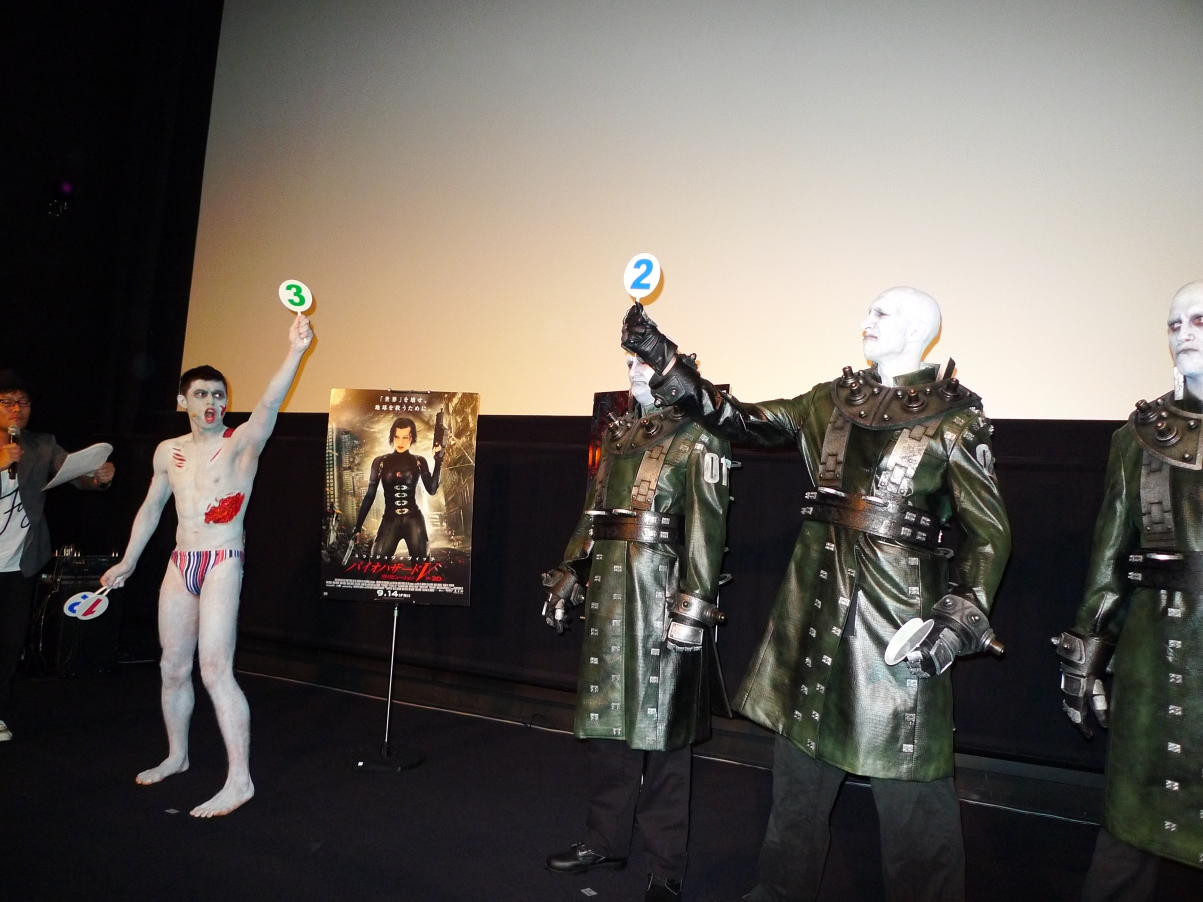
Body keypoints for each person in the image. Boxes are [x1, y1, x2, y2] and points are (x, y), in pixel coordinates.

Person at [622, 287, 1011, 902]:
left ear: (918, 329)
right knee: (798, 774)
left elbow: (989, 534)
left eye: (880, 313)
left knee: (910, 783)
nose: (865, 322)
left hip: (897, 624)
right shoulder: (829, 401)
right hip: (814, 607)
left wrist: (957, 619)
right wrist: (666, 361)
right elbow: (739, 419)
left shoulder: (955, 421)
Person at [101, 313, 313, 817]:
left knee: (215, 669)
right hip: (181, 562)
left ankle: (240, 780)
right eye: (202, 394)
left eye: (219, 394)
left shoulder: (241, 444)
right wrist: (129, 560)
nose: (213, 402)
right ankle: (177, 756)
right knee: (172, 668)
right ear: (184, 402)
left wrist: (296, 350)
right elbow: (151, 508)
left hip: (222, 559)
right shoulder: (168, 452)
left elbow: (268, 405)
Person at [541, 348, 732, 902]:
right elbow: (593, 515)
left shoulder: (702, 435)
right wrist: (569, 571)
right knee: (607, 728)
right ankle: (605, 841)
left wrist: (692, 608)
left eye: (646, 364)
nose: (634, 373)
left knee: (666, 739)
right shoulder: (619, 434)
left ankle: (666, 866)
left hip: (661, 597)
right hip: (609, 595)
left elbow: (708, 532)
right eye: (630, 365)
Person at [1056, 279, 1203, 900]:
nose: (1183, 333)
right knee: (1128, 830)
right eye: (1174, 323)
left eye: (1199, 320)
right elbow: (1109, 560)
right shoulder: (1137, 438)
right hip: (1152, 659)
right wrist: (1086, 654)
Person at [0, 369, 115, 742]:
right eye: (7, 402)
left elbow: (73, 475)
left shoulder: (41, 445)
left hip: (19, 563)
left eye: (24, 402)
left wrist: (97, 477)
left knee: (9, 643)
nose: (17, 409)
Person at [352, 417, 443, 559]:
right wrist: (357, 528)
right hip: (390, 519)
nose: (400, 442)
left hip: (414, 519)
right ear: (392, 437)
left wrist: (438, 461)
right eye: (397, 437)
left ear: (412, 438)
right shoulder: (380, 462)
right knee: (376, 563)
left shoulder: (419, 461)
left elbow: (431, 489)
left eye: (405, 437)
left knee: (422, 565)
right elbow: (370, 495)